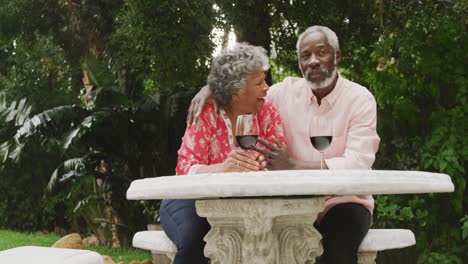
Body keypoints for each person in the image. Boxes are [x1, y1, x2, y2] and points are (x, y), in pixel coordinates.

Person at [187, 25, 380, 264]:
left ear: (337, 56)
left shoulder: (360, 100)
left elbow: (358, 165)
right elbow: (244, 87)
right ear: (299, 62)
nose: (313, 61)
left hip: (342, 202)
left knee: (336, 253)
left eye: (321, 52)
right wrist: (213, 88)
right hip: (290, 206)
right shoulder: (282, 93)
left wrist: (295, 165)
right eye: (305, 56)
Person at [160, 43, 285, 264]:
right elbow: (185, 168)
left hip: (247, 204)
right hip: (191, 199)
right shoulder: (206, 113)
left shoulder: (268, 112)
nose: (266, 87)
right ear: (236, 90)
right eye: (259, 83)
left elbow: (277, 158)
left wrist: (263, 162)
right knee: (195, 241)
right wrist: (221, 168)